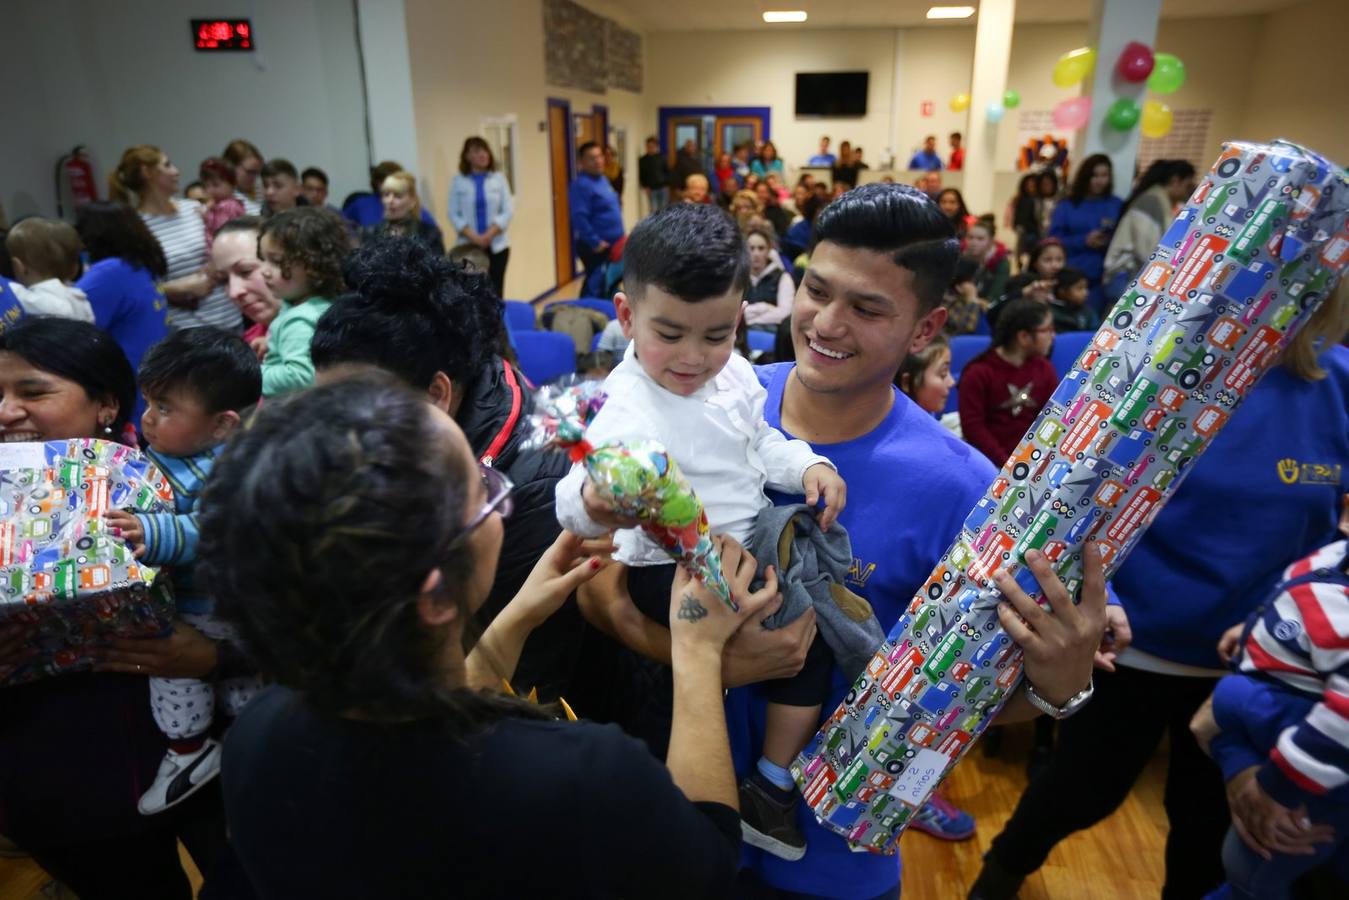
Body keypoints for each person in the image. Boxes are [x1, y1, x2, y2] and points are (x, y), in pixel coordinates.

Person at [577, 183, 1109, 898]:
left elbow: (977, 694)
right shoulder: (703, 394)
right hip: (667, 824)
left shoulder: (966, 492)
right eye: (815, 290)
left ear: (926, 330)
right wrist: (708, 659)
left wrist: (1057, 688)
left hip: (831, 860)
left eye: (866, 308)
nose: (825, 323)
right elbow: (593, 585)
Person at [203, 372, 777, 898]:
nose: (498, 504)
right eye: (481, 493)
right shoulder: (581, 778)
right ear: (432, 597)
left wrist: (515, 620)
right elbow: (703, 861)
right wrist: (697, 651)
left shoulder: (260, 737)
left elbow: (425, 714)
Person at [972, 297, 1349, 900]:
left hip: (1252, 668)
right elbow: (1075, 502)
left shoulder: (1337, 382)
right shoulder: (1163, 369)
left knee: (1205, 838)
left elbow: (1335, 540)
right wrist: (1105, 599)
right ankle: (1000, 874)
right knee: (1079, 791)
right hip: (1134, 645)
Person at [554, 203, 856, 862]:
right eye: (669, 333)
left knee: (820, 633)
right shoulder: (623, 405)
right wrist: (596, 502)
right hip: (664, 570)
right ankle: (671, 832)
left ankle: (770, 785)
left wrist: (808, 462)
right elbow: (573, 500)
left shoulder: (739, 375)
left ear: (739, 320)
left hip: (745, 550)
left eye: (716, 335)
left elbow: (762, 442)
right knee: (669, 711)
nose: (693, 358)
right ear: (626, 317)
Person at [0, 317, 239, 898]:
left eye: (33, 392)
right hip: (58, 782)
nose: (7, 412)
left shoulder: (182, 486)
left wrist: (215, 657)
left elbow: (292, 611)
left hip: (201, 756)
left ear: (106, 402)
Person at [310, 236, 589, 699]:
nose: (341, 431)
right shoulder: (443, 406)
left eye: (356, 407)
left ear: (437, 393)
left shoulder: (534, 486)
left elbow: (522, 678)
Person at [103, 329, 262, 815]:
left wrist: (151, 534)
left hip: (214, 605)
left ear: (221, 426)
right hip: (191, 601)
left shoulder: (231, 467)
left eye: (165, 408)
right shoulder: (171, 454)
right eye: (147, 402)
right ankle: (242, 748)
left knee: (181, 684)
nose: (147, 418)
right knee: (229, 690)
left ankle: (192, 754)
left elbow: (215, 528)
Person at [111, 145, 239, 331]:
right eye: (167, 165)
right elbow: (132, 289)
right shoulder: (135, 227)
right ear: (147, 172)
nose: (176, 171)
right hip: (185, 329)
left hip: (230, 318)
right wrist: (176, 288)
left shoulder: (194, 209)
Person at [73, 202, 171, 420]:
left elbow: (67, 329)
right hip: (150, 382)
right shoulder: (139, 264)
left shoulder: (108, 273)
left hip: (128, 392)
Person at [957, 297, 1057, 468]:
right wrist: (1008, 465)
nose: (1053, 336)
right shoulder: (979, 372)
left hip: (1033, 463)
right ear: (1024, 337)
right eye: (1047, 329)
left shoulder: (1045, 369)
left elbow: (1054, 418)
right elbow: (974, 428)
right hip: (990, 465)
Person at [257, 207, 347, 396]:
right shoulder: (319, 304)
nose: (264, 270)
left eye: (276, 261)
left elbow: (301, 376)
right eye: (263, 259)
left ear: (314, 265)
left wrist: (254, 373)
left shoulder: (300, 319)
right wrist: (272, 343)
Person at [1103, 159, 1197, 302]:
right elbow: (1146, 249)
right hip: (1125, 276)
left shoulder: (1160, 200)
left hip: (1131, 275)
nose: (1188, 193)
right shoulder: (1152, 201)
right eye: (1188, 186)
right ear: (1175, 181)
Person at [1049, 153, 1121, 311]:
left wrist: (1106, 241)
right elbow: (1053, 241)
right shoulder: (1067, 205)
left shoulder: (1116, 204)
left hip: (1102, 278)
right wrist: (1083, 241)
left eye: (1104, 175)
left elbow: (1124, 240)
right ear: (1085, 176)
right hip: (1071, 276)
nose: (1099, 180)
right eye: (1094, 175)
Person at [449, 136, 514, 298]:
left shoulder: (499, 179)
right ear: (467, 156)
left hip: (497, 245)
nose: (483, 155)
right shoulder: (458, 181)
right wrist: (475, 238)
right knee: (470, 292)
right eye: (477, 151)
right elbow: (453, 213)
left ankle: (497, 322)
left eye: (485, 150)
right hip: (468, 247)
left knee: (496, 291)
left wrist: (489, 235)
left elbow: (508, 210)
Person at [210, 217, 280, 361]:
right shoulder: (250, 344)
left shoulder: (329, 335)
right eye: (224, 280)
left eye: (246, 271)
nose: (234, 292)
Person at [4, 218, 95, 322]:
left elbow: (9, 289)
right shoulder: (81, 301)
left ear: (18, 267)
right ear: (75, 268)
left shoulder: (34, 301)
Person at [570, 141, 625, 298]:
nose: (598, 161)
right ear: (581, 162)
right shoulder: (581, 185)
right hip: (597, 247)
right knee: (595, 286)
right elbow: (579, 218)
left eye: (600, 156)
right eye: (592, 158)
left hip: (614, 245)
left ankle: (607, 316)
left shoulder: (602, 179)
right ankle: (588, 315)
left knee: (609, 283)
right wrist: (595, 242)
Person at [342, 160, 440, 230]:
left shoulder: (408, 204)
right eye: (384, 181)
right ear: (376, 182)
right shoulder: (360, 204)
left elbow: (431, 231)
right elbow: (341, 227)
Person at [991, 237, 1066, 325]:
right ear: (1035, 263)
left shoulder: (1070, 284)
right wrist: (1025, 292)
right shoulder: (1019, 283)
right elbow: (995, 311)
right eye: (1047, 260)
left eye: (1059, 260)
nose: (1055, 265)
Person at [364, 170, 443, 253]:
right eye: (386, 195)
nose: (390, 201)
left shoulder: (429, 234)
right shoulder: (371, 233)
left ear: (412, 201)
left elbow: (438, 264)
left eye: (398, 196)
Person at [744, 225, 794, 331]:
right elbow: (731, 313)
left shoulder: (783, 277)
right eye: (751, 248)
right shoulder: (738, 278)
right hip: (742, 339)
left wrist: (748, 317)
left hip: (773, 336)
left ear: (769, 251)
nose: (756, 253)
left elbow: (786, 313)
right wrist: (765, 308)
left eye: (761, 248)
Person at [197, 157, 246, 250]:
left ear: (232, 184)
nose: (210, 190)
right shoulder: (218, 204)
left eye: (216, 185)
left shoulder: (228, 206)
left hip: (225, 252)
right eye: (206, 186)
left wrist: (205, 216)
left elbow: (220, 231)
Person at [964, 217, 1010, 307]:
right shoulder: (961, 258)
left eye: (980, 239)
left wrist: (972, 298)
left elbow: (994, 300)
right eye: (970, 237)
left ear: (991, 241)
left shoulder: (1001, 262)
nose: (973, 242)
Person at [943, 257, 987, 336]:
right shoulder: (947, 302)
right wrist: (972, 300)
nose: (974, 286)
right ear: (959, 286)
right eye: (971, 281)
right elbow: (965, 329)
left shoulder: (967, 301)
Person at [222, 138, 264, 215]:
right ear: (231, 167)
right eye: (250, 172)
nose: (255, 178)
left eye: (257, 172)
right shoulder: (224, 197)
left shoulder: (262, 190)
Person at [1010, 174, 1043, 272]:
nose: (1031, 188)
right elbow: (1018, 218)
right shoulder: (1022, 200)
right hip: (1027, 233)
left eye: (1033, 185)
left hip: (1034, 233)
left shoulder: (1039, 201)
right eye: (1028, 185)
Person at [1049, 266, 1097, 332]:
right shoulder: (1050, 313)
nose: (1086, 293)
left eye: (1086, 288)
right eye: (1079, 288)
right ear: (1062, 291)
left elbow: (1096, 333)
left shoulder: (1088, 312)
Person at [639, 136, 671, 215]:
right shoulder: (643, 160)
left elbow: (667, 172)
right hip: (651, 189)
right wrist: (645, 186)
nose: (650, 148)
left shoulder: (662, 158)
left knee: (664, 210)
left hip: (663, 188)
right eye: (648, 147)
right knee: (654, 210)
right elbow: (642, 175)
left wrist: (667, 184)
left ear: (656, 147)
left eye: (652, 146)